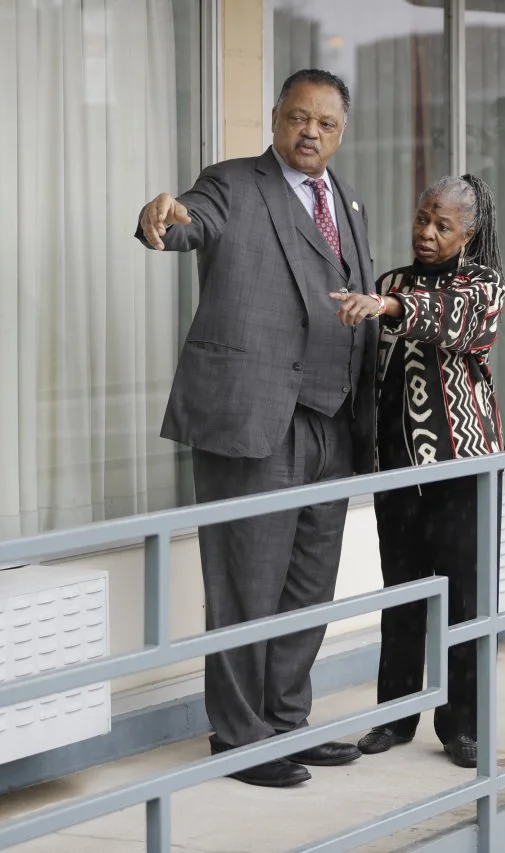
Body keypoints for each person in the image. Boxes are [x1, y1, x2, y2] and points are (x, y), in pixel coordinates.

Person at [134, 69, 376, 788]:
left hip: (333, 421)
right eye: (298, 117)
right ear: (275, 118)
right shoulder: (233, 183)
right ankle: (241, 738)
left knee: (309, 583)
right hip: (253, 421)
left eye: (326, 123)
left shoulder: (347, 199)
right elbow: (190, 220)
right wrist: (164, 218)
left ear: (341, 131)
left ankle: (287, 722)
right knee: (246, 584)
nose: (310, 132)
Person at [330, 175, 505, 769]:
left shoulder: (483, 285)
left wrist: (391, 308)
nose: (426, 233)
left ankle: (464, 725)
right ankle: (395, 717)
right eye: (421, 219)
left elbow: (455, 323)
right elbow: (370, 376)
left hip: (465, 464)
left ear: (468, 234)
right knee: (402, 593)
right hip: (399, 469)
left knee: (465, 599)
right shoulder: (390, 283)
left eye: (443, 225)